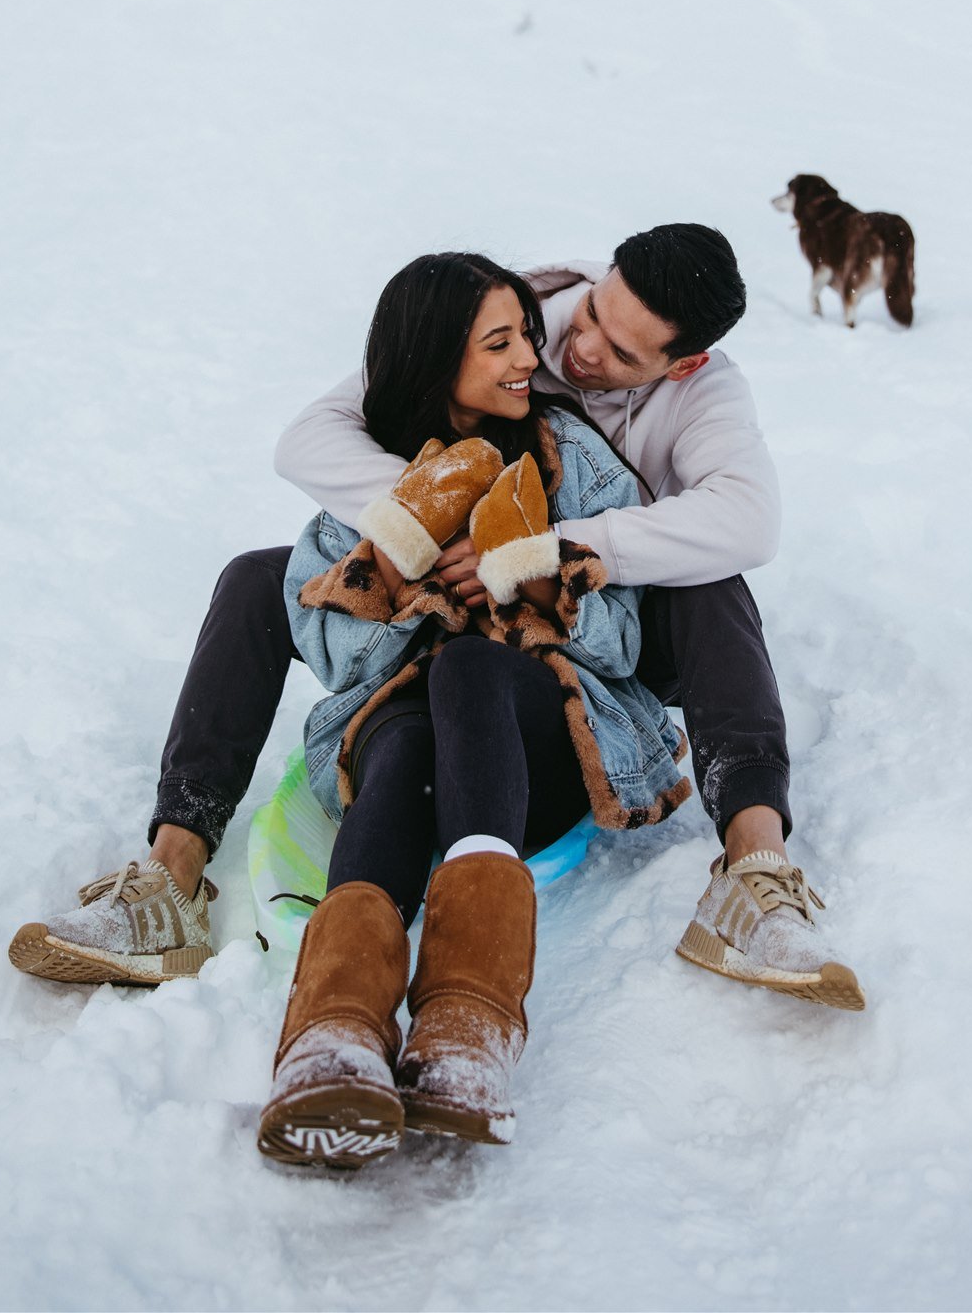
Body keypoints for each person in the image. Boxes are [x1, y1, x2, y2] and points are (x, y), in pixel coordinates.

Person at [9, 223, 863, 1013]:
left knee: (717, 584)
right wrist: (435, 518)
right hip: (447, 617)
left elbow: (750, 521)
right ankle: (172, 877)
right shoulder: (516, 316)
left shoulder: (700, 399)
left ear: (679, 366)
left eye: (619, 350)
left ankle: (754, 868)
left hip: (604, 609)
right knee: (255, 581)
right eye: (593, 313)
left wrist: (549, 546)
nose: (576, 347)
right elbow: (310, 436)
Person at [254, 252, 690, 1165]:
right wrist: (411, 569)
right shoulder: (379, 478)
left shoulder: (578, 466)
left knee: (469, 673)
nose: (529, 357)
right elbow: (335, 653)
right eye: (499, 343)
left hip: (547, 749)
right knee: (408, 726)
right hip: (418, 750)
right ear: (434, 358)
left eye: (527, 333)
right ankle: (333, 1035)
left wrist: (531, 570)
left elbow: (627, 645)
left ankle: (466, 1023)